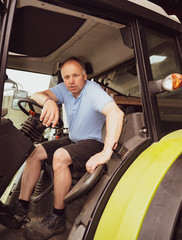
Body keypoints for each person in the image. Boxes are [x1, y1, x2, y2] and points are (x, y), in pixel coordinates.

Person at [10, 57, 124, 239]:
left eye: (75, 76)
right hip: (74, 140)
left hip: (94, 142)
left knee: (60, 156)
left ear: (84, 76)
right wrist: (48, 102)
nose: (71, 81)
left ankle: (57, 217)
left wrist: (106, 152)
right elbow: (36, 94)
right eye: (66, 77)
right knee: (34, 151)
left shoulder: (93, 91)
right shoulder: (64, 89)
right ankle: (21, 206)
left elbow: (116, 113)